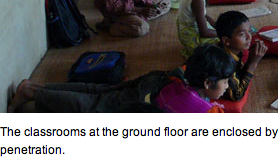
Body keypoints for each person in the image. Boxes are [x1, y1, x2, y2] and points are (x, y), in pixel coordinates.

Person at [7, 44, 233, 113]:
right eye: (225, 81)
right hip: (140, 101)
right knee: (92, 104)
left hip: (155, 81)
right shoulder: (206, 113)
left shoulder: (190, 74)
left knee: (98, 91)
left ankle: (35, 87)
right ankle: (33, 93)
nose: (227, 86)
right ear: (207, 83)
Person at [216, 11, 268, 101]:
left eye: (250, 31)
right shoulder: (225, 63)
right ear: (226, 40)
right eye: (242, 34)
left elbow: (238, 73)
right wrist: (253, 63)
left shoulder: (233, 50)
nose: (249, 37)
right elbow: (236, 95)